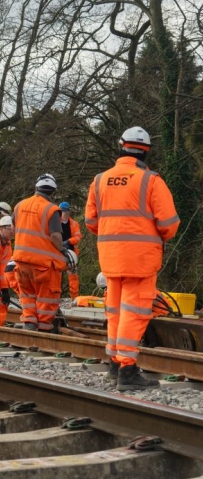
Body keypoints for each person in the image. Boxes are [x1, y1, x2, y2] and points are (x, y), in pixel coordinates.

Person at [85, 126, 180, 391]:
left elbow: (91, 221)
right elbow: (169, 224)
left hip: (111, 259)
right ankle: (127, 369)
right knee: (134, 312)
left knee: (114, 310)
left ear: (121, 146)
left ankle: (115, 364)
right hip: (140, 260)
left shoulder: (100, 180)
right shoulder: (151, 181)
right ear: (146, 152)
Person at [11, 174, 77, 332]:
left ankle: (29, 323)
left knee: (27, 294)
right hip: (43, 264)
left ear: (36, 188)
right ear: (53, 192)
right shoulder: (52, 209)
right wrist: (62, 250)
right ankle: (44, 328)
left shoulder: (20, 205)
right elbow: (55, 235)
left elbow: (13, 229)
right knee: (46, 296)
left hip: (21, 261)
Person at [59, 202, 82, 299]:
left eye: (66, 211)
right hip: (57, 254)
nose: (65, 213)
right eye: (63, 211)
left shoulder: (74, 224)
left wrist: (68, 241)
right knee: (56, 277)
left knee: (73, 278)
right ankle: (55, 298)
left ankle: (74, 298)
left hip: (71, 254)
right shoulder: (55, 222)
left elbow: (78, 237)